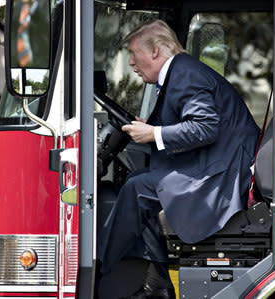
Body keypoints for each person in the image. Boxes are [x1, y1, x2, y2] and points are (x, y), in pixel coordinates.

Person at [97, 20, 260, 298]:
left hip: (220, 175)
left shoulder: (185, 74)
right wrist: (150, 127)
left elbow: (205, 127)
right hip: (218, 163)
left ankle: (96, 267)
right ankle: (157, 281)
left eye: (134, 54)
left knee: (137, 189)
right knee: (140, 182)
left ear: (156, 51)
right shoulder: (181, 72)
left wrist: (153, 132)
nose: (132, 63)